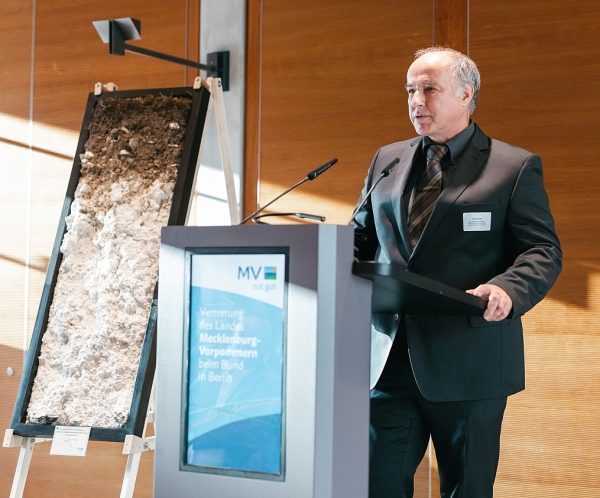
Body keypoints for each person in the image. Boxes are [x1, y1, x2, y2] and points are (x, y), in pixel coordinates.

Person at [352, 47, 562, 498]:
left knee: (466, 490)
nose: (416, 101)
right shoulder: (387, 159)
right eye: (410, 90)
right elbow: (359, 238)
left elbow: (542, 250)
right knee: (376, 486)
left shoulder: (512, 167)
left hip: (468, 360)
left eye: (429, 89)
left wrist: (508, 288)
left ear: (466, 94)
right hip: (390, 359)